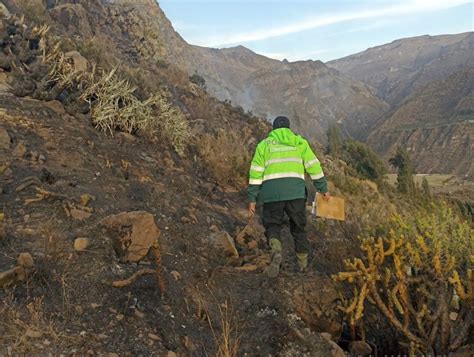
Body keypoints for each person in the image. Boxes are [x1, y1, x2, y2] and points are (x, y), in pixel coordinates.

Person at [248, 116, 329, 277]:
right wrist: (323, 188)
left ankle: (276, 251)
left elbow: (255, 173)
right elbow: (314, 166)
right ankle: (303, 266)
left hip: (271, 193)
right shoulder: (300, 143)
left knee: (272, 225)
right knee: (299, 228)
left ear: (273, 129)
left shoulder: (264, 145)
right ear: (289, 128)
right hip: (296, 194)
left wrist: (252, 199)